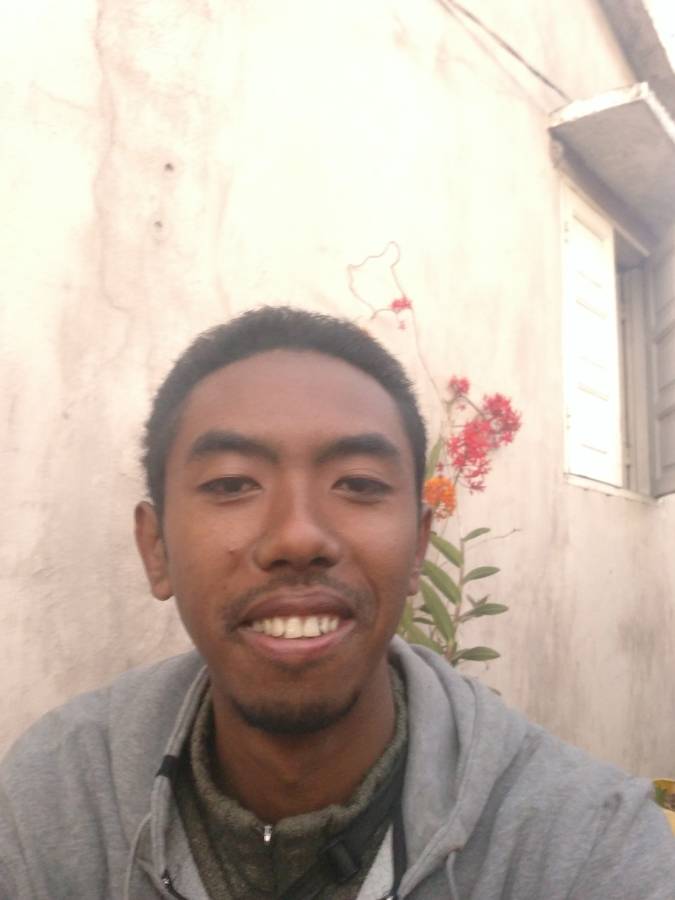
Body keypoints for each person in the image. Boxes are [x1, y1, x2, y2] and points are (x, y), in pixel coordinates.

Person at [1, 306, 673, 900]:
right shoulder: (50, 803)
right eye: (232, 483)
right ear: (156, 549)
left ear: (418, 548)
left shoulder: (585, 844)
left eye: (358, 482)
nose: (298, 536)